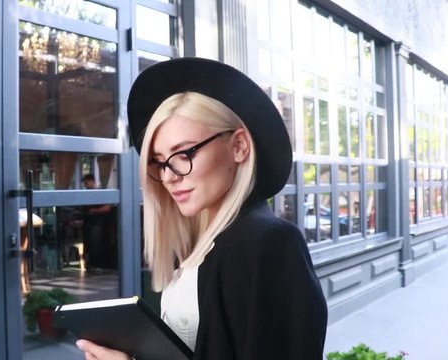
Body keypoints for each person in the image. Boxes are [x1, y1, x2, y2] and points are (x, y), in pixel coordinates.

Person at [76, 57, 328, 359]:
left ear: (238, 146)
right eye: (158, 162)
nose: (168, 176)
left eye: (182, 154)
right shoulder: (205, 242)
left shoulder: (268, 243)